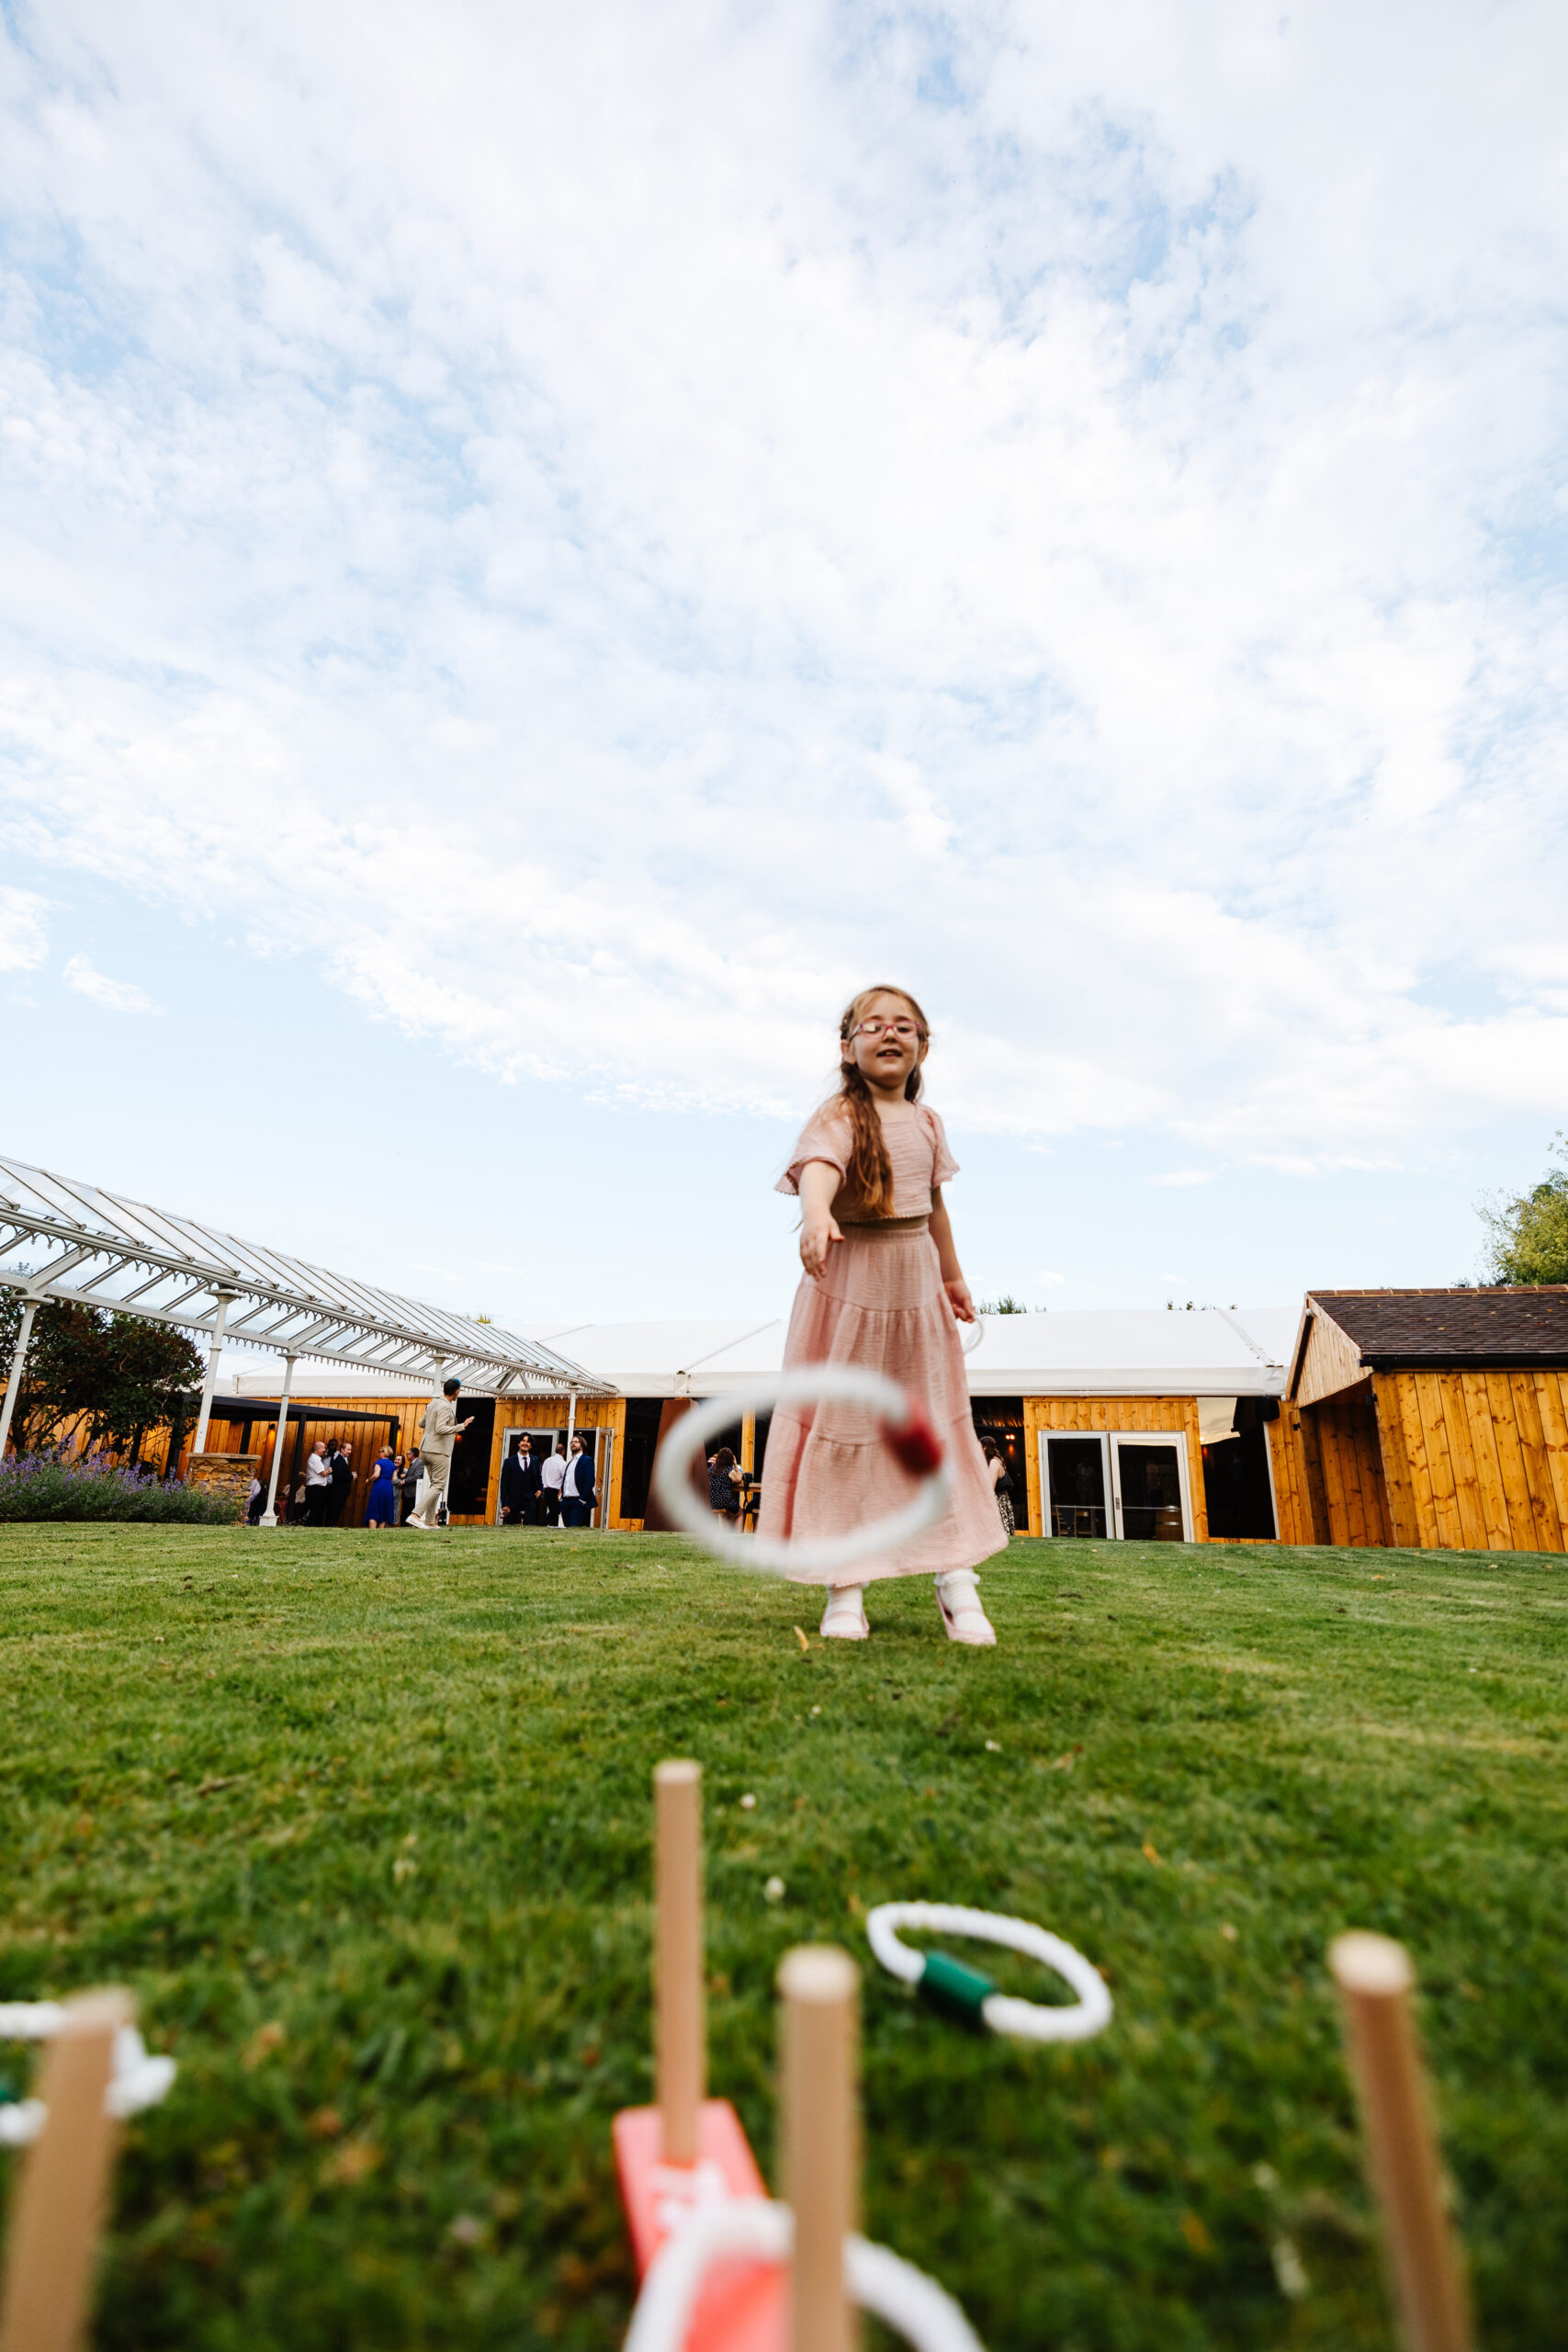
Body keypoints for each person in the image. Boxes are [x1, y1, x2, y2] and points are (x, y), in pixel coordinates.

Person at [759, 986, 1005, 1645]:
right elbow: (818, 1166)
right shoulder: (839, 1112)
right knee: (845, 1430)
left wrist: (952, 1277)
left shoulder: (927, 1124)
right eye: (873, 1025)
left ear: (922, 1046)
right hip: (847, 1289)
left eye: (904, 1026)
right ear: (848, 1047)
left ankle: (956, 1580)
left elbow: (936, 1208)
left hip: (915, 1287)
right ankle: (844, 1588)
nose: (888, 1034)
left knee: (933, 1430)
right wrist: (814, 1216)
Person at [405, 1380, 473, 1531]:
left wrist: (429, 1413)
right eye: (459, 1391)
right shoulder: (444, 1406)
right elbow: (440, 1428)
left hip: (426, 1450)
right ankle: (415, 1515)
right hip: (438, 1451)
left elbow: (421, 1423)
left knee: (434, 1485)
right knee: (439, 1485)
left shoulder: (433, 1404)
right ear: (456, 1392)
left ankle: (429, 1521)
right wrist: (462, 1426)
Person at [500, 1432, 543, 1526]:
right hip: (513, 1501)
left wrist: (540, 1489)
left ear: (530, 1446)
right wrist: (505, 1504)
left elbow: (539, 1478)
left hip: (530, 1500)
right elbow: (504, 1484)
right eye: (523, 1441)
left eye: (528, 1442)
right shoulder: (509, 1462)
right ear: (519, 1444)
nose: (525, 1443)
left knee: (530, 1528)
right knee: (509, 1528)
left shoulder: (535, 1460)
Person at [560, 1431, 597, 1527]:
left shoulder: (587, 1460)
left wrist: (582, 1499)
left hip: (578, 1501)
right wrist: (561, 1498)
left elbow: (590, 1481)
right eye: (571, 1442)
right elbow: (567, 1480)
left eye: (576, 1442)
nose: (573, 1443)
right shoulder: (570, 1462)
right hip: (565, 1501)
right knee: (567, 1527)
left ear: (582, 1446)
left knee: (574, 1529)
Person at [981, 1436, 1017, 1536]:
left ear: (985, 1448)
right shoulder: (995, 1461)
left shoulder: (994, 1462)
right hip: (1000, 1499)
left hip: (998, 1501)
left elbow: (990, 1487)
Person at [707, 1445, 744, 1522]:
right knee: (740, 1513)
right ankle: (738, 1534)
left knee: (728, 1514)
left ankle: (726, 1532)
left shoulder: (710, 1469)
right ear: (730, 1459)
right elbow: (739, 1480)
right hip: (725, 1501)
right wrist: (735, 1464)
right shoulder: (729, 1470)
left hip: (713, 1502)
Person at [304, 1440, 333, 1527]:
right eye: (323, 1448)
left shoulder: (317, 1459)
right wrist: (330, 1469)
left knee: (318, 1510)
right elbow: (323, 1473)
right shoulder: (314, 1459)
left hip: (318, 1488)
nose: (325, 1450)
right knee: (315, 1510)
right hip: (315, 1489)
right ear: (319, 1449)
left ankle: (315, 1527)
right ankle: (310, 1527)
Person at [540, 1439, 567, 1526]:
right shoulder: (562, 1463)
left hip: (546, 1489)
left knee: (553, 1511)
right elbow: (564, 1477)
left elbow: (542, 1475)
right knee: (555, 1512)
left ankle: (543, 1525)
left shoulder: (547, 1461)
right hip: (555, 1491)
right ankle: (546, 1525)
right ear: (563, 1452)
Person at [329, 1441, 355, 1527]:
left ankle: (331, 1526)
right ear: (342, 1450)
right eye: (348, 1450)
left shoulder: (343, 1459)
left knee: (336, 1511)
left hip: (340, 1491)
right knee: (334, 1511)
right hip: (338, 1491)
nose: (350, 1452)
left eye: (350, 1450)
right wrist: (351, 1477)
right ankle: (330, 1527)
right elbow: (338, 1475)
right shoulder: (339, 1460)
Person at [400, 1450, 423, 1527]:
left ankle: (407, 1527)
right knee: (405, 1513)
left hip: (412, 1493)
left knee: (409, 1512)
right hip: (407, 1493)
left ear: (412, 1455)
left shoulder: (420, 1463)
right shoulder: (412, 1464)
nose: (407, 1455)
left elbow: (417, 1476)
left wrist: (404, 1481)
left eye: (408, 1454)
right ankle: (403, 1527)